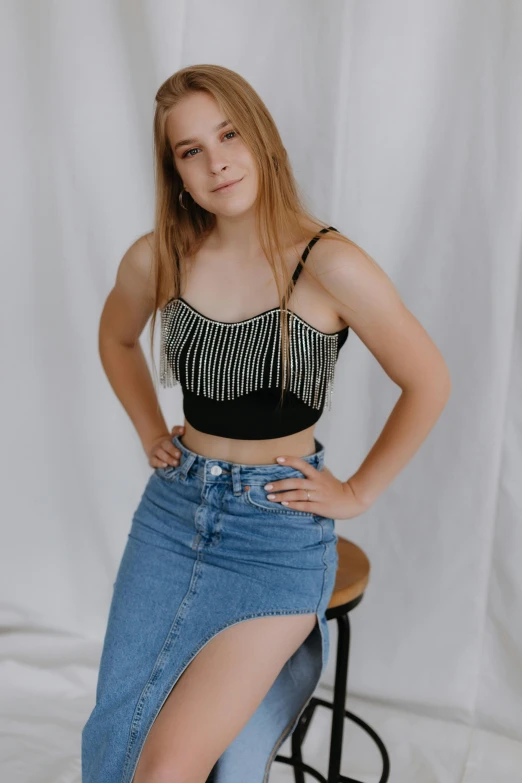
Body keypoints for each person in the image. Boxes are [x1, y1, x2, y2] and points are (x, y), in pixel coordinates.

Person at [81, 64, 451, 783]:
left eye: (227, 133)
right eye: (190, 150)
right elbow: (115, 337)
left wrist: (358, 492)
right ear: (176, 172)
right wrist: (148, 426)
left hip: (272, 538)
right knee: (116, 740)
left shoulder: (329, 264)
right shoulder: (162, 255)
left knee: (165, 769)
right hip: (171, 514)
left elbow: (428, 379)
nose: (215, 160)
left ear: (262, 137)